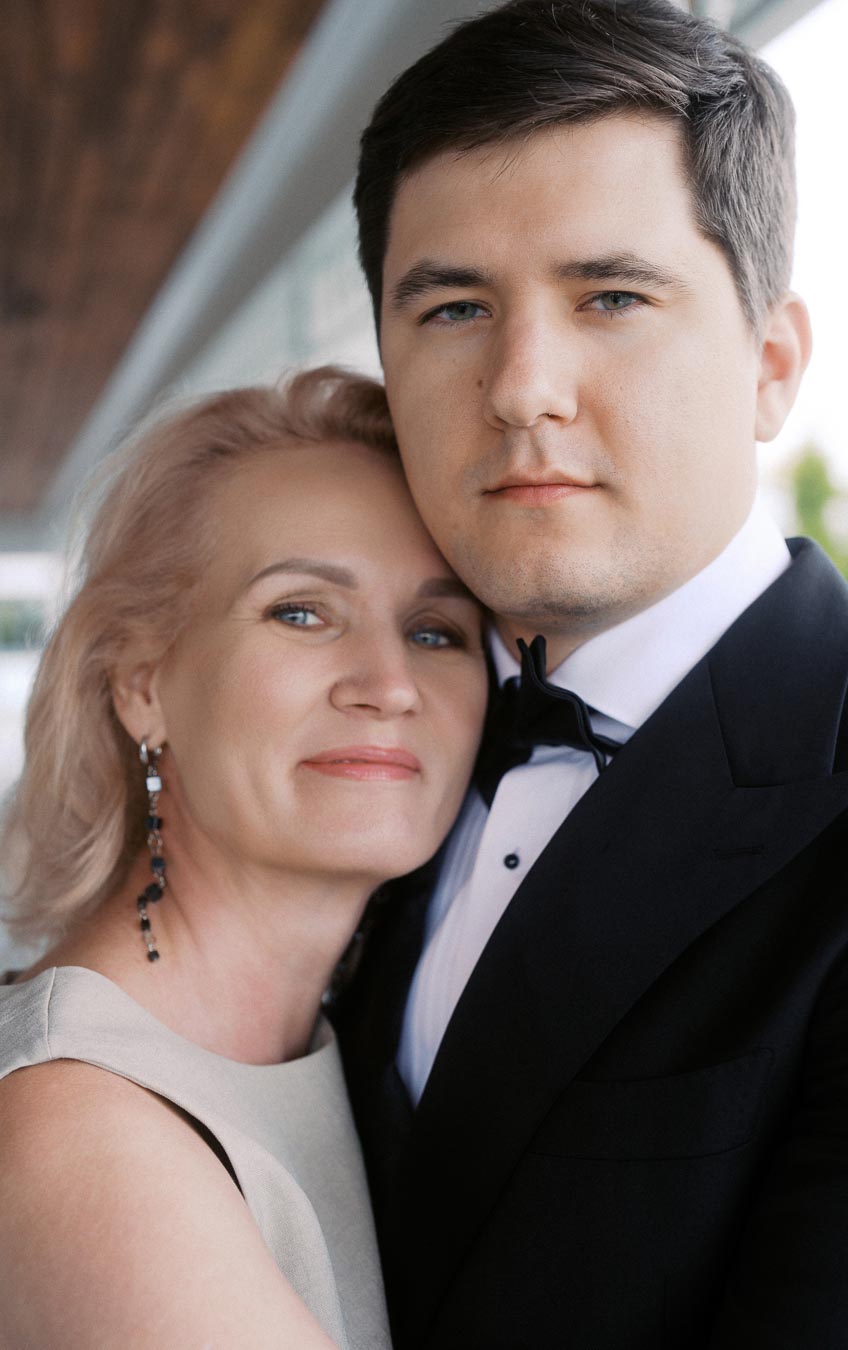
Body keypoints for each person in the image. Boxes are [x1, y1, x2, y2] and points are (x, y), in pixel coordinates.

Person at [335, 2, 848, 1346]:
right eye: (457, 306)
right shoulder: (350, 740)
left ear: (771, 365)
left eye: (612, 298)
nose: (525, 386)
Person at [0, 366, 487, 1349]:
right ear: (142, 681)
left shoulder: (330, 1048)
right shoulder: (87, 1133)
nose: (389, 685)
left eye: (436, 630)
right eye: (302, 611)